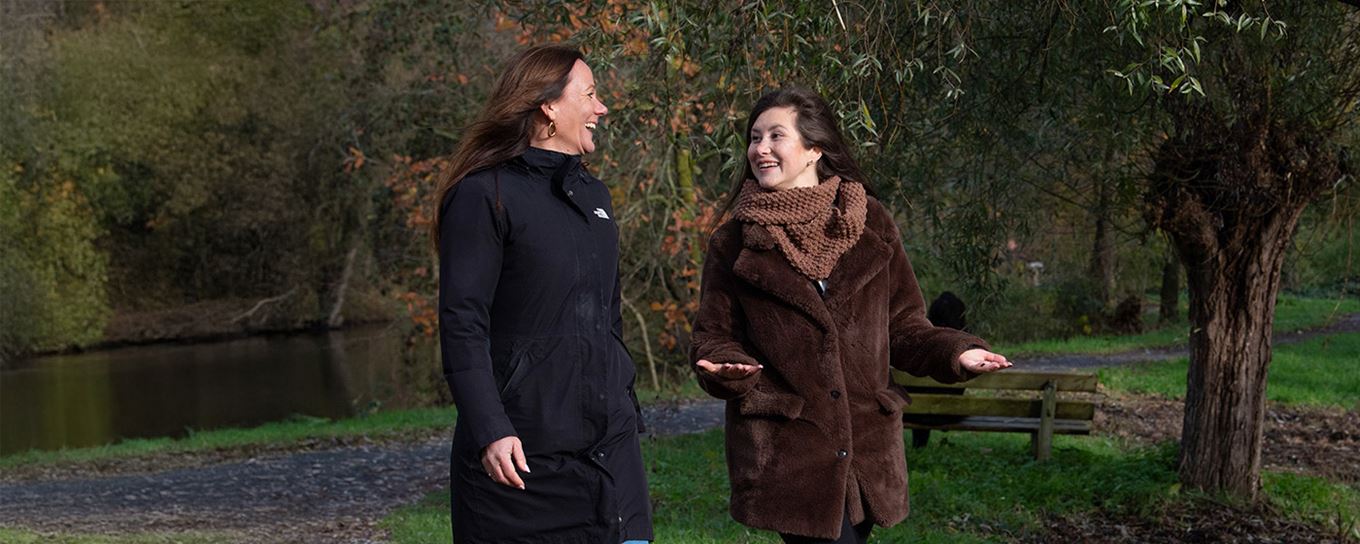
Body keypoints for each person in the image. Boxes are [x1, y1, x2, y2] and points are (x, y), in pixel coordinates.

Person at [691, 87, 1011, 544]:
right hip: (791, 451)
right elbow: (713, 334)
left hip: (867, 448)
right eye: (754, 137)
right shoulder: (733, 243)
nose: (759, 149)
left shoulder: (871, 223)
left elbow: (903, 326)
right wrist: (725, 367)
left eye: (775, 136)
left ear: (814, 148)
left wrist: (957, 353)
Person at [433, 45, 652, 544]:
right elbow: (462, 322)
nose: (602, 108)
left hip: (610, 456)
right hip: (519, 458)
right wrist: (490, 427)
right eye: (591, 94)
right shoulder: (482, 195)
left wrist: (621, 400)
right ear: (548, 106)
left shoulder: (596, 198)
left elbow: (606, 318)